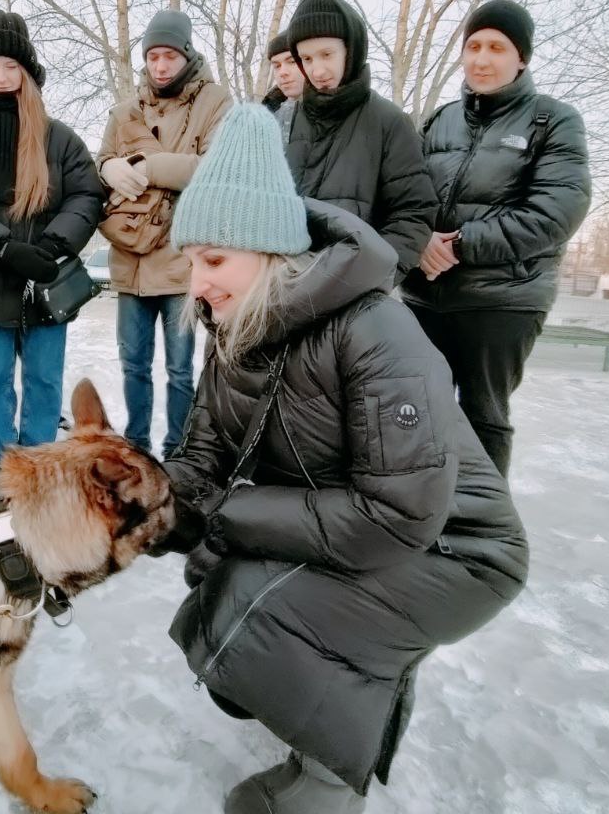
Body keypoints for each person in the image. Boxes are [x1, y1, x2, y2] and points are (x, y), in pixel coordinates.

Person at [158, 104, 529, 813]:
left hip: (458, 551)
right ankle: (335, 712)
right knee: (228, 584)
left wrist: (227, 515)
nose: (197, 283)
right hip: (374, 530)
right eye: (190, 264)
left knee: (257, 601)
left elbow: (396, 515)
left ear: (265, 249)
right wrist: (129, 502)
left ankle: (328, 786)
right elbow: (201, 457)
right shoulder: (234, 330)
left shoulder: (373, 329)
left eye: (212, 260)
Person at [401, 0, 590, 476]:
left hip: (502, 299)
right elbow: (406, 193)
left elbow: (555, 211)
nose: (482, 58)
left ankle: (483, 532)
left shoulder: (553, 120)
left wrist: (460, 244)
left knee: (484, 417)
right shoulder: (439, 119)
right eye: (474, 46)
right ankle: (424, 515)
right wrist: (421, 239)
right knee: (420, 412)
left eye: (497, 48)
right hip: (426, 296)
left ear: (521, 58)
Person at [0, 10, 103, 475]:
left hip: (46, 282)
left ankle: (39, 467)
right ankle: (0, 471)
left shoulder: (59, 138)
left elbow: (87, 194)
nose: (2, 77)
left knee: (45, 382)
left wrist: (52, 245)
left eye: (12, 66)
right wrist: (5, 247)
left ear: (27, 73)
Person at [98, 8, 231, 457]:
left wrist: (148, 165)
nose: (159, 66)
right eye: (152, 56)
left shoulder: (215, 102)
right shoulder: (124, 113)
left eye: (169, 56)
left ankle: (179, 451)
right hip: (131, 260)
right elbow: (98, 169)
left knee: (179, 369)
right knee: (133, 365)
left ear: (186, 55)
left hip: (181, 260)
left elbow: (215, 168)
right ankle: (136, 450)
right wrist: (110, 167)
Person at [284, 0, 437, 282]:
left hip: (351, 289)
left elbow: (413, 213)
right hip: (284, 287)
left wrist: (369, 278)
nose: (317, 70)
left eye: (327, 54)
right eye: (306, 58)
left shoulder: (389, 121)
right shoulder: (286, 119)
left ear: (350, 50)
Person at [260, 31, 304, 142]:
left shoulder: (329, 114)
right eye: (277, 66)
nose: (282, 72)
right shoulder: (266, 115)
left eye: (292, 61)